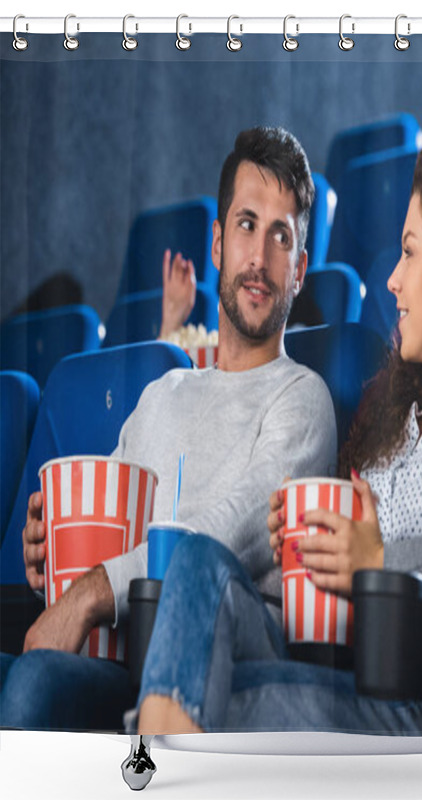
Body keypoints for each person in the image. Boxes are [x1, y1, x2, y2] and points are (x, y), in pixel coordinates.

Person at [131, 129, 422, 736]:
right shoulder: (393, 427)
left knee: (212, 706)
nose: (392, 280)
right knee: (196, 566)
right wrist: (307, 548)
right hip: (342, 674)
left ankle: (144, 761)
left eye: (410, 252)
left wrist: (382, 559)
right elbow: (339, 601)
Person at [0, 127, 338, 730]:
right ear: (215, 243)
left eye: (280, 237)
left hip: (217, 658)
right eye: (245, 225)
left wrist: (90, 592)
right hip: (120, 652)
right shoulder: (162, 394)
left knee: (33, 686)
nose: (259, 258)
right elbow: (108, 523)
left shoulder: (301, 397)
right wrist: (52, 550)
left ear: (301, 270)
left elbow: (232, 531)